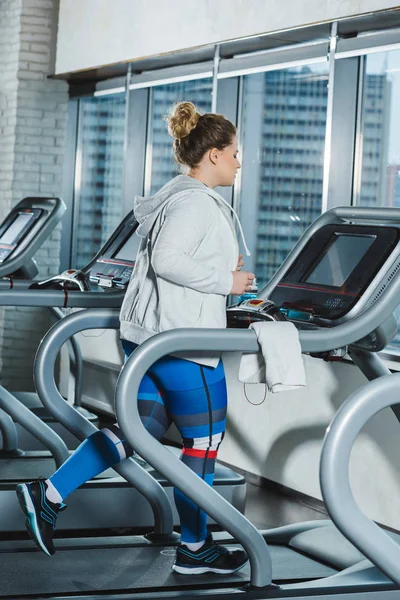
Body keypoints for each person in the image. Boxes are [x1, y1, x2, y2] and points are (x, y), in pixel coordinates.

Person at [16, 101, 256, 576]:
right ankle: (194, 546)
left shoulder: (173, 196)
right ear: (212, 155)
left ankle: (49, 492)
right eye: (234, 153)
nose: (238, 162)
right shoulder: (195, 203)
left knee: (138, 428)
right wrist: (225, 283)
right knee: (204, 442)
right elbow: (169, 259)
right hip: (180, 344)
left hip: (146, 336)